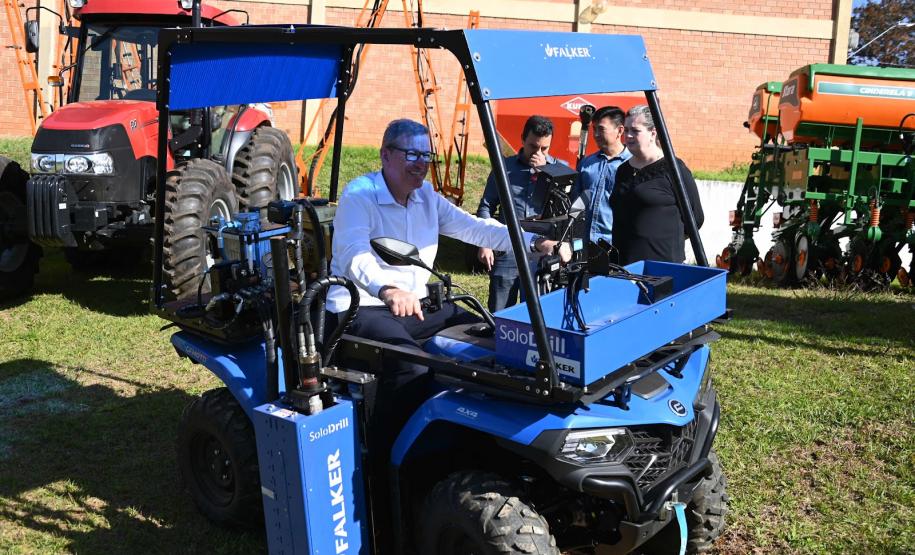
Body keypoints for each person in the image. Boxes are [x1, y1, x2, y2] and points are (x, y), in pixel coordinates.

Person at [327, 119, 568, 440]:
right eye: (412, 155)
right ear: (385, 154)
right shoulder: (360, 195)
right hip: (363, 307)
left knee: (493, 340)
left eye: (427, 156)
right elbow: (352, 252)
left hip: (415, 305)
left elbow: (475, 228)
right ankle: (392, 450)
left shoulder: (426, 196)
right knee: (412, 367)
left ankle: (472, 430)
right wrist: (387, 289)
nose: (422, 164)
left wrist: (535, 242)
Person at [476, 115, 563, 312]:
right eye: (533, 146)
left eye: (544, 148)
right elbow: (486, 206)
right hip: (507, 247)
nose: (538, 153)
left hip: (541, 252)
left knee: (535, 312)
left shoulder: (559, 171)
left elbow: (564, 211)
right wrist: (485, 242)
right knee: (500, 311)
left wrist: (546, 172)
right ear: (523, 139)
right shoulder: (504, 168)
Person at [610, 105, 704, 265]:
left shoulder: (673, 169)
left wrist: (666, 240)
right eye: (626, 130)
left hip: (661, 264)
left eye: (635, 131)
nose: (629, 136)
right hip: (623, 264)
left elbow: (695, 218)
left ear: (653, 133)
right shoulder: (623, 170)